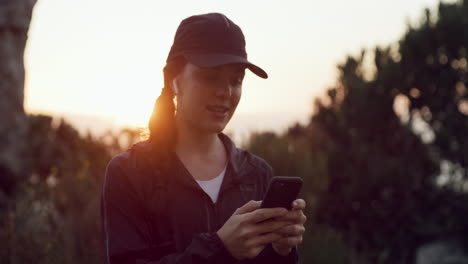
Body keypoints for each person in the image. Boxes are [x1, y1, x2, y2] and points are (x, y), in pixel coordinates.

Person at [101, 12, 307, 264]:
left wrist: (281, 251)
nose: (226, 92)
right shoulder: (129, 173)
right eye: (210, 77)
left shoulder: (257, 174)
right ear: (174, 80)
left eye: (236, 80)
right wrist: (219, 248)